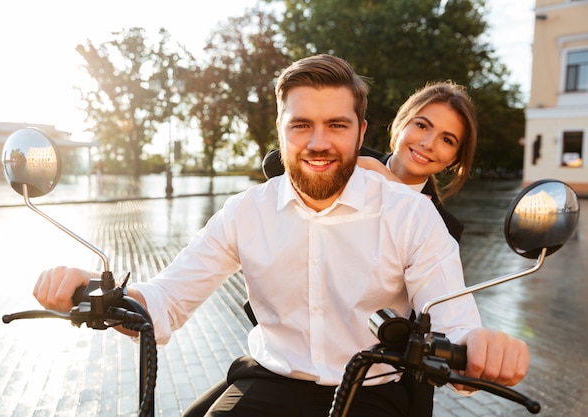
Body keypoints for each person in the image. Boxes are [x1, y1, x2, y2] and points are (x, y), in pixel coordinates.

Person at [34, 54, 529, 417]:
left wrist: (480, 346)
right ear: (280, 131)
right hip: (270, 380)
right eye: (301, 126)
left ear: (361, 133)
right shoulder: (247, 210)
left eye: (336, 125)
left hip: (372, 392)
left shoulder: (415, 217)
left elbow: (453, 320)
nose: (318, 142)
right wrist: (105, 295)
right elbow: (168, 296)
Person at [262, 80, 477, 242]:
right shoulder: (352, 158)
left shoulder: (445, 226)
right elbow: (273, 163)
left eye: (447, 140)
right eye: (422, 126)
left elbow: (421, 299)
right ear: (401, 124)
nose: (429, 143)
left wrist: (404, 200)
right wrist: (374, 169)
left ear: (455, 158)